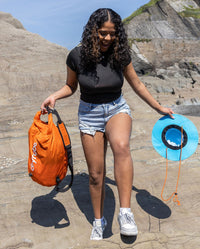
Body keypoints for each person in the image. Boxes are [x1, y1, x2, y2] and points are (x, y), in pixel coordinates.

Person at [41, 8, 174, 240]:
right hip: (89, 113)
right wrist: (54, 96)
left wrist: (158, 107)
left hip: (116, 108)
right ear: (93, 31)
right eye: (103, 33)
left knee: (121, 147)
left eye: (113, 34)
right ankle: (99, 220)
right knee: (95, 174)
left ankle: (125, 213)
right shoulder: (76, 56)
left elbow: (137, 84)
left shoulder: (120, 54)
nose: (108, 39)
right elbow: (71, 86)